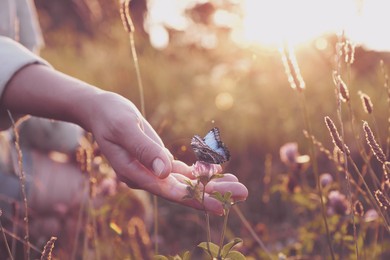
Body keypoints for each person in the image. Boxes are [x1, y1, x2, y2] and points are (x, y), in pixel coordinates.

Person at [0, 1, 248, 220]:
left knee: (90, 210)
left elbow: (23, 85)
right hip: (7, 162)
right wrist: (85, 121)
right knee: (127, 207)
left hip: (13, 151)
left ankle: (37, 231)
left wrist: (83, 127)